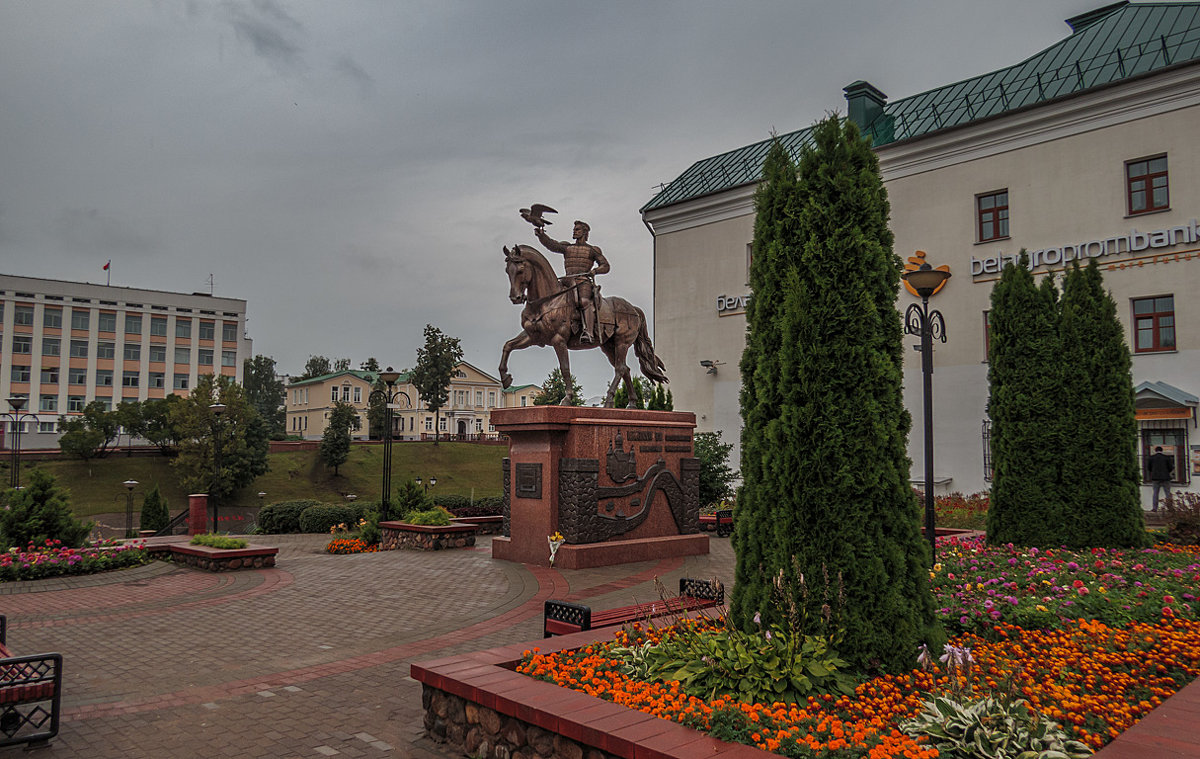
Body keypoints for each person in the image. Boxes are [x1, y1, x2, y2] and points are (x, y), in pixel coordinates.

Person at [535, 220, 610, 343]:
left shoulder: (592, 250)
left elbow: (605, 266)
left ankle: (589, 332)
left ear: (584, 232)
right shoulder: (567, 247)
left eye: (577, 230)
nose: (574, 232)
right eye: (574, 229)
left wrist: (595, 271)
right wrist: (542, 236)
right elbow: (552, 245)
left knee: (584, 301)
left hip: (582, 281)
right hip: (567, 281)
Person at [1148, 445, 1174, 512]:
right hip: (1166, 478)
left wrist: (1154, 472)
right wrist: (1166, 472)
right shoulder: (1167, 457)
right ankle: (1170, 508)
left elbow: (1149, 468)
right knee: (1168, 493)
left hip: (1155, 478)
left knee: (1155, 493)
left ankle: (1154, 508)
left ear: (1155, 451)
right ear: (1162, 451)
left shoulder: (1151, 458)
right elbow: (1171, 467)